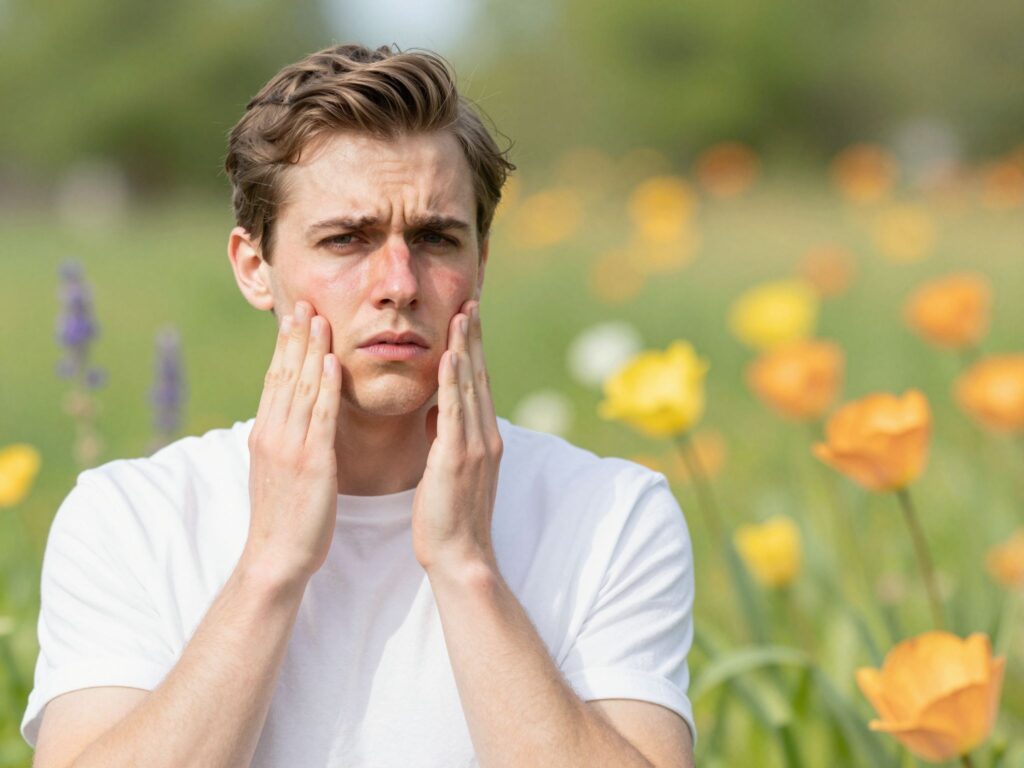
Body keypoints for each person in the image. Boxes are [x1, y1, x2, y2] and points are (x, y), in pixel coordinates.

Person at [22, 43, 697, 767]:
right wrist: (271, 565)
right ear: (255, 268)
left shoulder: (612, 514)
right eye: (348, 239)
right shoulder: (130, 519)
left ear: (482, 262)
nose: (399, 283)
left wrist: (466, 565)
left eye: (437, 238)